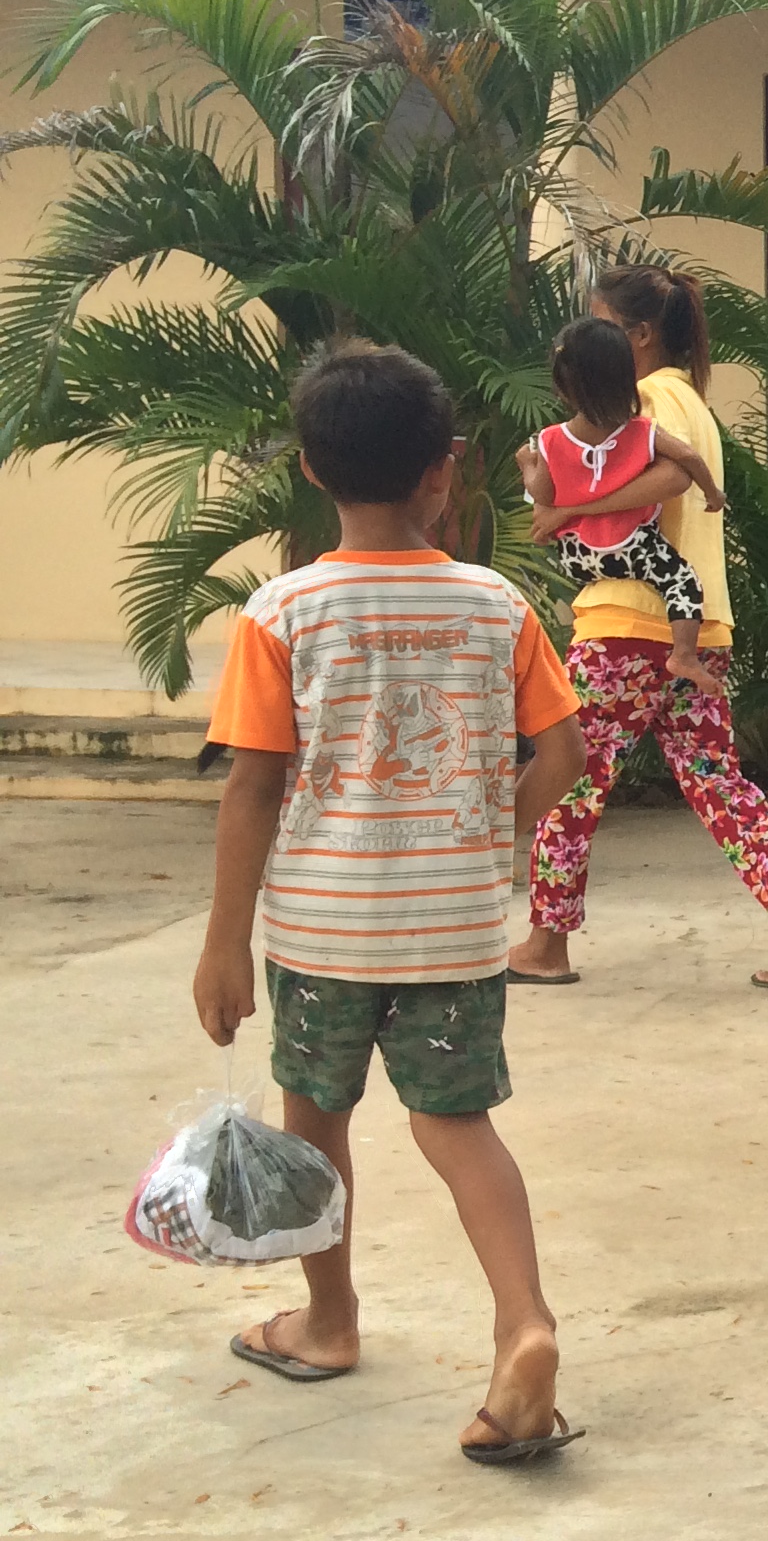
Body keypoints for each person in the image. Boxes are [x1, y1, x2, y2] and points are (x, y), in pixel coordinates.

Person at [193, 342, 589, 1463]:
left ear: (313, 469)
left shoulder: (282, 613)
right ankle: (525, 1325)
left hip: (324, 930)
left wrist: (225, 947)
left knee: (314, 1116)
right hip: (455, 929)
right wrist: (493, 836)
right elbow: (561, 750)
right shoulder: (496, 605)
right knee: (458, 1124)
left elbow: (255, 785)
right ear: (445, 472)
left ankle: (328, 1323)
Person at [509, 264, 768, 998]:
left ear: (639, 335)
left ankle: (544, 943)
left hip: (625, 624)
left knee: (570, 782)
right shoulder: (689, 399)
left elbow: (671, 481)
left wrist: (565, 513)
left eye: (602, 326)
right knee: (720, 784)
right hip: (698, 631)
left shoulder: (650, 398)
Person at [517, 313, 728, 697]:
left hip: (579, 556)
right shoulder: (642, 432)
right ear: (626, 378)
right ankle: (684, 655)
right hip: (632, 550)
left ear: (563, 386)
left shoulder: (549, 441)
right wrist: (714, 495)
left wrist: (529, 466)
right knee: (681, 580)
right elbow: (689, 461)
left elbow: (542, 505)